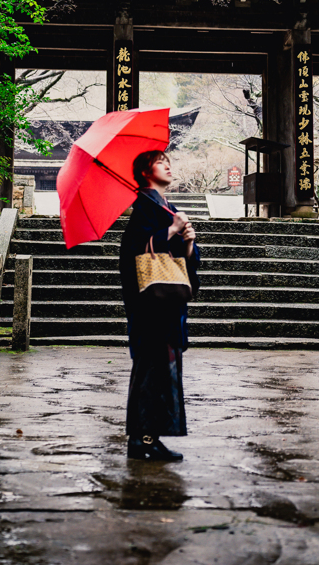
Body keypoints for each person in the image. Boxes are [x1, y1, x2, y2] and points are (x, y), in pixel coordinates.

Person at [119, 149, 200, 462]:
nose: (167, 165)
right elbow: (135, 253)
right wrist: (171, 231)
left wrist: (189, 242)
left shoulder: (169, 208)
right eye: (159, 161)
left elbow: (181, 263)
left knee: (165, 374)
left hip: (168, 309)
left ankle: (153, 438)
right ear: (144, 172)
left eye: (168, 161)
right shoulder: (143, 207)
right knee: (151, 373)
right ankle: (141, 441)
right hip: (150, 309)